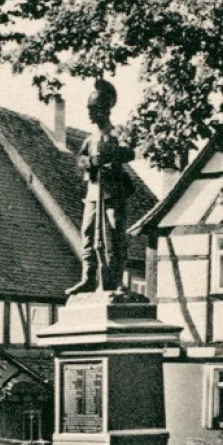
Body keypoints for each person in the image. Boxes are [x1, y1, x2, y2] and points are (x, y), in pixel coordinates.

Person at [69, 79, 141, 297]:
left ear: (105, 109)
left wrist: (109, 153)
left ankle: (116, 280)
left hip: (114, 191)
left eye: (94, 109)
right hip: (93, 191)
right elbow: (80, 160)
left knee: (116, 234)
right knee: (88, 234)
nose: (90, 113)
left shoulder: (117, 133)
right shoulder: (89, 139)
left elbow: (129, 152)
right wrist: (91, 162)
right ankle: (89, 279)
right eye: (89, 109)